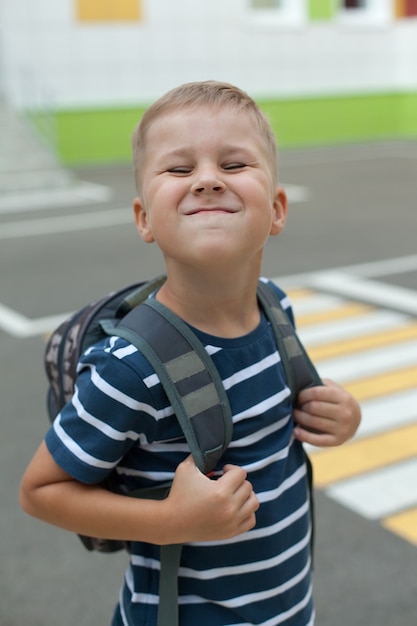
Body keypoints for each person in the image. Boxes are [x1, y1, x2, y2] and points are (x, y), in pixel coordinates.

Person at [20, 80, 361, 626]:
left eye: (233, 164)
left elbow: (283, 425)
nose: (206, 180)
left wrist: (342, 416)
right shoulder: (129, 369)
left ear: (276, 210)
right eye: (179, 170)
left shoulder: (276, 307)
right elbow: (40, 491)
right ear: (144, 219)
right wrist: (173, 521)